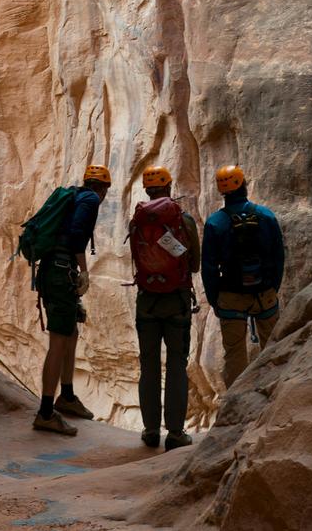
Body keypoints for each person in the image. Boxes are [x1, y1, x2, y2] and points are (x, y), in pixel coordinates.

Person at [33, 163, 111, 435]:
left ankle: (66, 396)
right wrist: (84, 272)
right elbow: (78, 235)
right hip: (61, 271)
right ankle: (45, 412)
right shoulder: (90, 199)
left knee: (71, 331)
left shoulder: (76, 195)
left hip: (52, 269)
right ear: (103, 189)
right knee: (58, 340)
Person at [130, 166, 201, 452]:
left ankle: (149, 430)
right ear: (169, 187)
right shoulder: (183, 220)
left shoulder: (136, 222)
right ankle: (174, 432)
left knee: (148, 365)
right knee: (175, 365)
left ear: (147, 189)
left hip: (147, 301)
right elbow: (193, 263)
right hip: (177, 301)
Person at [201, 164, 285, 388]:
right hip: (265, 294)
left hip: (230, 296)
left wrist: (215, 299)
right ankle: (271, 395)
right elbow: (279, 256)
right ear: (244, 186)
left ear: (222, 192)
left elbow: (208, 267)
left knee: (235, 355)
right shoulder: (266, 216)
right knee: (272, 349)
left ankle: (235, 407)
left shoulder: (215, 223)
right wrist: (272, 287)